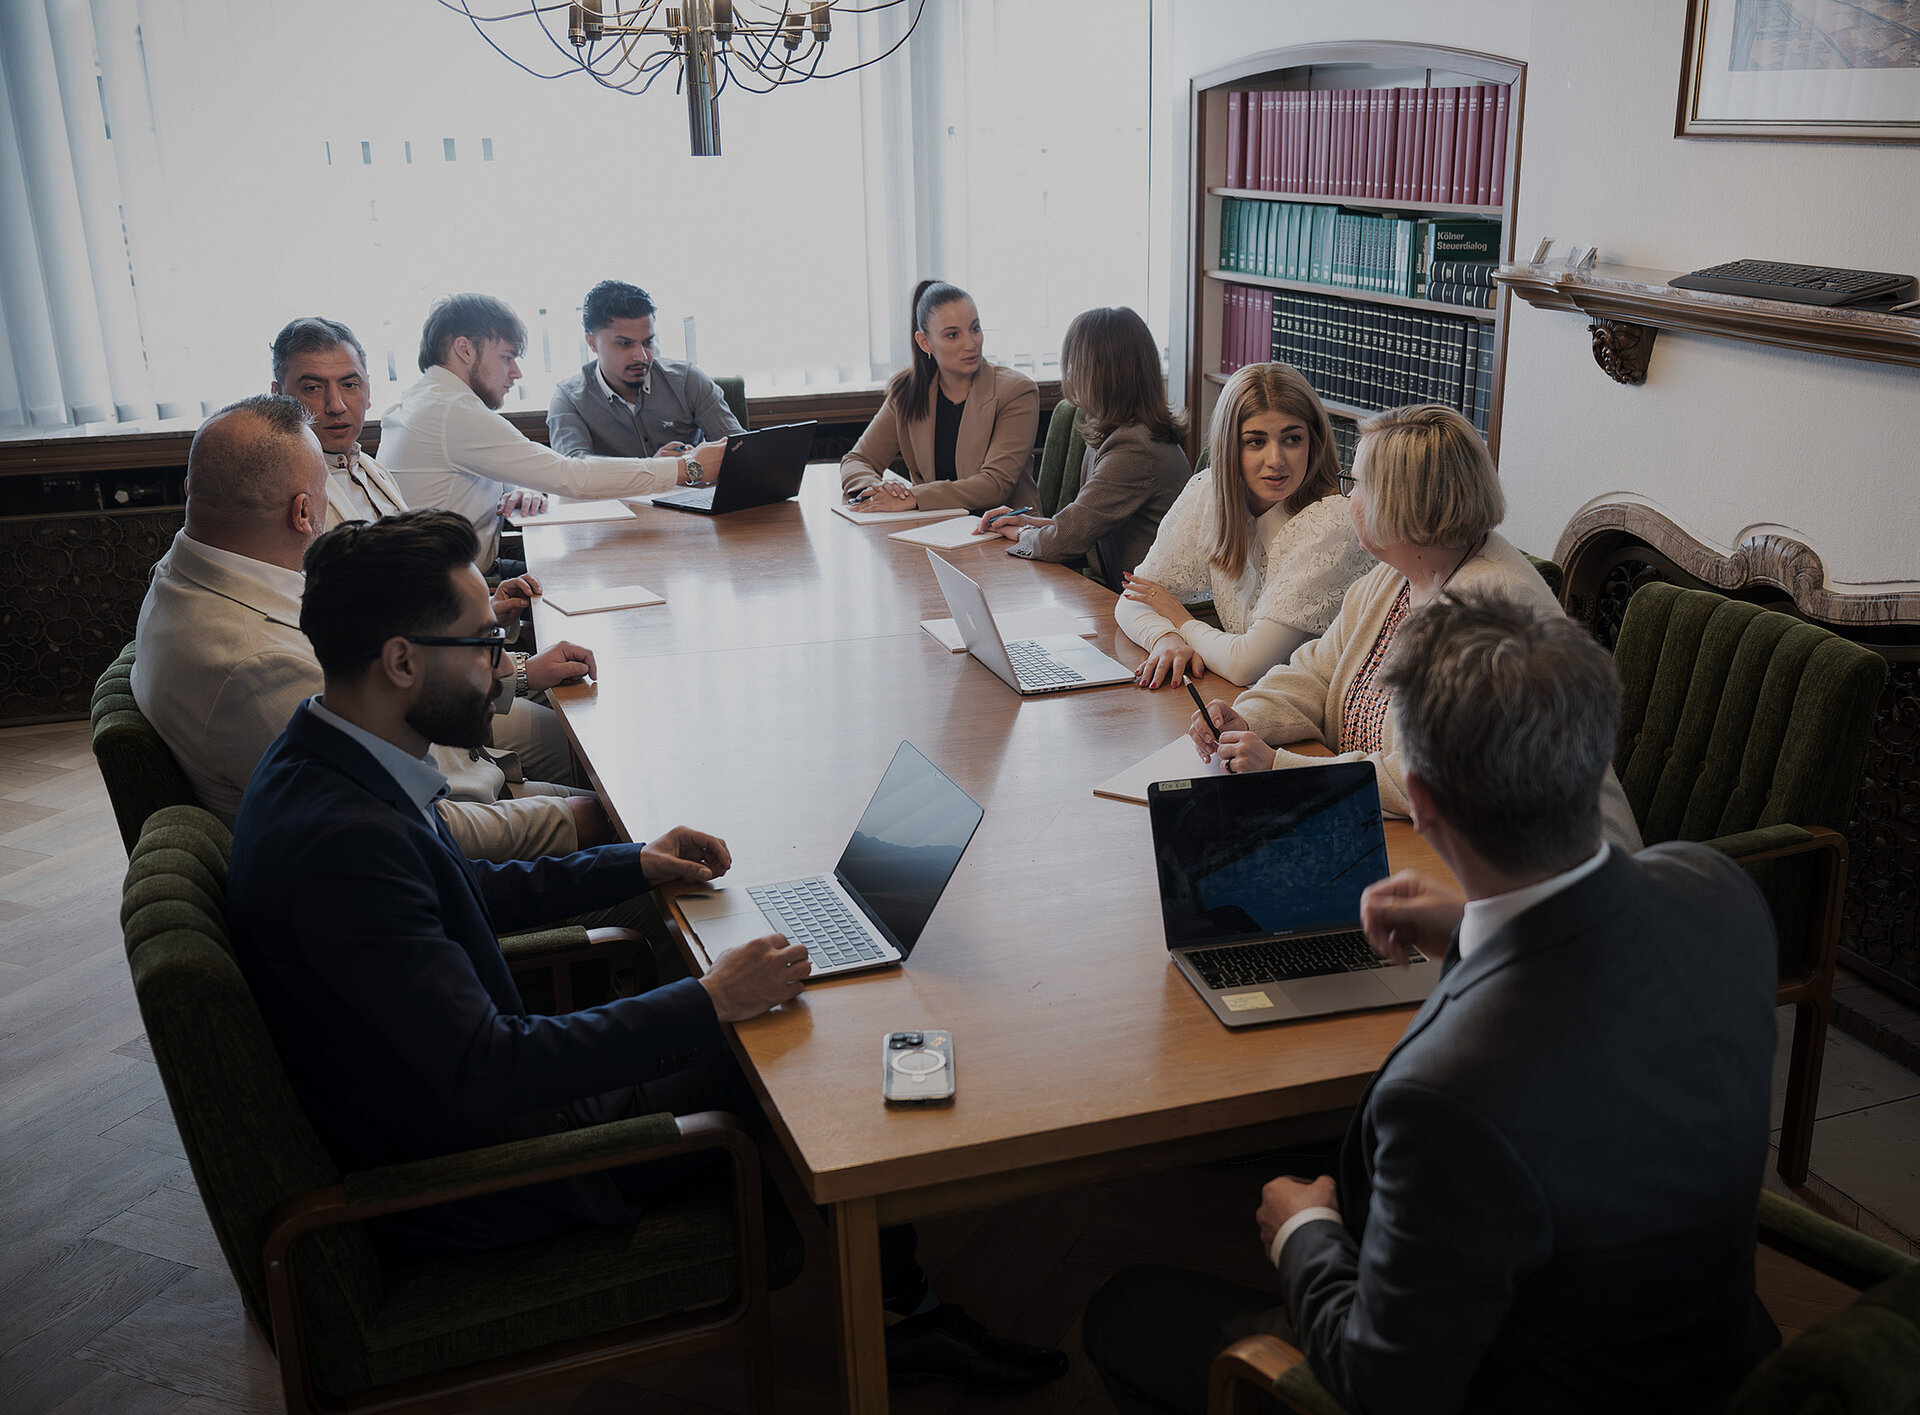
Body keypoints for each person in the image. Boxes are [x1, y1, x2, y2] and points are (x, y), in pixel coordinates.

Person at [226, 508, 1069, 1393]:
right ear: (401, 660)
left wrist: (630, 861)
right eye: (485, 643)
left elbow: (461, 894)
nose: (502, 666)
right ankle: (904, 1319)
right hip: (491, 1171)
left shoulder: (329, 758)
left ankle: (894, 1290)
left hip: (458, 1105)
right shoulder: (345, 842)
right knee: (803, 1041)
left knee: (755, 993)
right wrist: (710, 999)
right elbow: (490, 1069)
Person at [1082, 589, 1782, 1415]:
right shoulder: (1717, 890)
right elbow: (1592, 989)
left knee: (1123, 1310)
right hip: (1720, 1361)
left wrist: (1306, 1233)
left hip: (1524, 1386)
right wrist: (1466, 927)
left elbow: (1385, 1384)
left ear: (1420, 799)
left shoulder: (1450, 1097)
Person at [130, 395, 609, 863]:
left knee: (598, 765)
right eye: (325, 488)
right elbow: (415, 825)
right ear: (302, 512)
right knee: (616, 802)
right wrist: (576, 821)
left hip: (462, 778)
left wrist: (505, 666)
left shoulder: (189, 569)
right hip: (436, 859)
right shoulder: (260, 663)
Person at [1189, 403, 1641, 850]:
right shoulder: (1399, 571)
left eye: (1355, 485)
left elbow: (1427, 778)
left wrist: (1279, 769)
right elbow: (1316, 670)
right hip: (1415, 836)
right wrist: (1248, 716)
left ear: (1400, 502)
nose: (1347, 498)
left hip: (1545, 867)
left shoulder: (1493, 611)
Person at [267, 316, 577, 789]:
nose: (335, 406)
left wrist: (488, 611)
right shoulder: (299, 503)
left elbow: (413, 605)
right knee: (570, 741)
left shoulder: (368, 468)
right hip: (413, 709)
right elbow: (360, 657)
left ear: (369, 389)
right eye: (312, 388)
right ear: (279, 395)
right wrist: (518, 673)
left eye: (349, 384)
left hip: (446, 668)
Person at [380, 293, 726, 568]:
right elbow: (569, 475)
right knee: (593, 571)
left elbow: (468, 470)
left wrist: (521, 486)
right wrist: (687, 468)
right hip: (444, 593)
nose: (516, 373)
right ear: (465, 349)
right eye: (506, 357)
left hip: (442, 576)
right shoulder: (453, 411)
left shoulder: (426, 400)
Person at [1115, 363, 1372, 689]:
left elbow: (1246, 665)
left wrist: (1181, 621)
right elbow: (1136, 597)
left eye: (1292, 439)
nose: (1276, 460)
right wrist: (1165, 638)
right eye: (1256, 442)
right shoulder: (1210, 491)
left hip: (1318, 718)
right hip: (1246, 705)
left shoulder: (1333, 521)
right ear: (1228, 446)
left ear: (1314, 442)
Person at [974, 305, 1192, 582]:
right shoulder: (1116, 430)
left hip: (1149, 610)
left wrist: (1023, 534)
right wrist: (1029, 524)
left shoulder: (1135, 448)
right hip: (1126, 598)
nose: (1071, 374)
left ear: (1098, 375)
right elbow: (1083, 526)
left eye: (1075, 364)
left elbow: (1063, 541)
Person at [840, 280, 1040, 514]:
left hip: (1006, 534)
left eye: (975, 329)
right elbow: (857, 460)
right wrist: (878, 490)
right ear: (925, 342)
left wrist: (913, 496)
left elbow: (995, 485)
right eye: (953, 335)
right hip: (935, 530)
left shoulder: (1016, 392)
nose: (971, 343)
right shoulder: (906, 391)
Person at [547, 280, 746, 458]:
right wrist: (656, 471)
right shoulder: (569, 398)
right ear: (592, 343)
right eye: (625, 344)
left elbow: (740, 450)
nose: (642, 356)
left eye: (648, 342)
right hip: (619, 500)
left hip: (694, 494)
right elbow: (574, 472)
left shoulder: (687, 380)